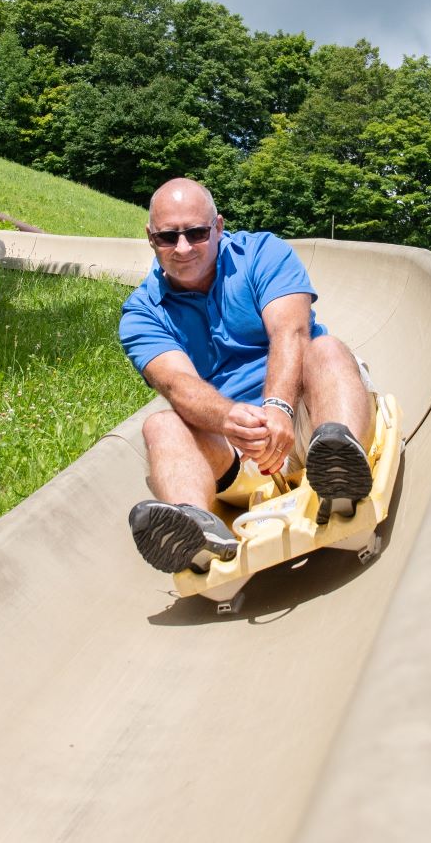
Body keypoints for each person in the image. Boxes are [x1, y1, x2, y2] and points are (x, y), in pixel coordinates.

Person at [119, 178, 375, 574]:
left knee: (325, 349)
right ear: (151, 239)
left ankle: (339, 461)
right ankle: (196, 531)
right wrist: (230, 420)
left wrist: (279, 407)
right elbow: (177, 384)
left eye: (197, 233)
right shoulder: (141, 313)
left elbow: (291, 332)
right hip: (239, 447)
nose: (183, 247)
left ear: (218, 227)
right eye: (169, 237)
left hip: (311, 408)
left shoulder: (262, 254)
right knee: (160, 425)